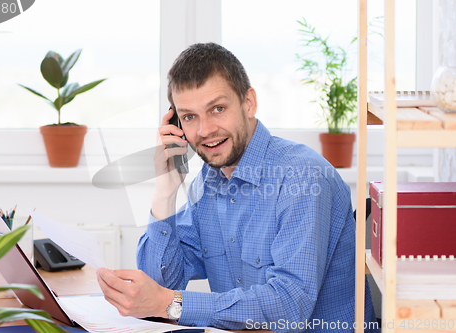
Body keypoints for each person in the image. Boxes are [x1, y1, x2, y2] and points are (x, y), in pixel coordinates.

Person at [97, 42, 378, 332]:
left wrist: (172, 303)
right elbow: (159, 286)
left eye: (217, 109)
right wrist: (165, 191)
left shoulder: (302, 177)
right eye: (190, 117)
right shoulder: (208, 183)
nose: (204, 130)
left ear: (249, 103)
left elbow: (289, 306)